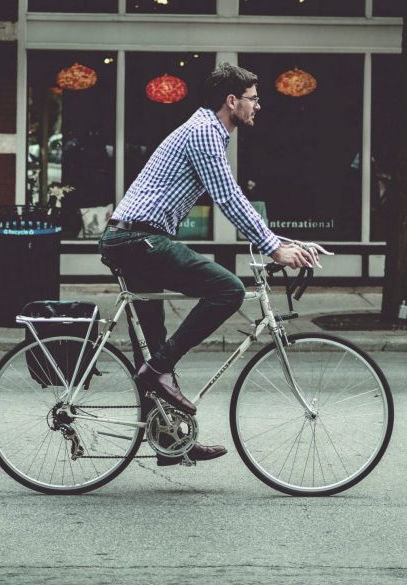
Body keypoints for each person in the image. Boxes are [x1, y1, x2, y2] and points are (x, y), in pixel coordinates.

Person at [99, 63, 319, 466]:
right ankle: (158, 372)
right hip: (138, 239)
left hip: (136, 238)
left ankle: (168, 438)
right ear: (231, 101)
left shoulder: (208, 131)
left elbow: (231, 199)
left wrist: (287, 243)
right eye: (253, 98)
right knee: (228, 290)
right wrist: (273, 248)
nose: (258, 106)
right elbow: (230, 198)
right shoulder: (204, 133)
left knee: (153, 339)